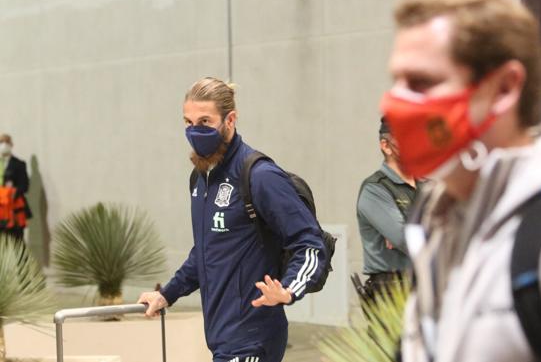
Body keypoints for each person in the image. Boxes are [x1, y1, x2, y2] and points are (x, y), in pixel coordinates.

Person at [380, 0, 541, 362]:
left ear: (505, 88)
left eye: (421, 82)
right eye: (396, 81)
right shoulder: (436, 221)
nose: (395, 103)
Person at [137, 77, 326, 362]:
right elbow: (205, 252)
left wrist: (288, 289)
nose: (195, 131)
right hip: (222, 338)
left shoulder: (259, 176)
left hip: (252, 339)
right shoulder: (201, 179)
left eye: (205, 121)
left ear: (230, 120)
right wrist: (167, 294)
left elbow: (310, 243)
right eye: (188, 122)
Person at [356, 117, 418, 299]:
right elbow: (404, 239)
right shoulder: (375, 189)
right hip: (391, 291)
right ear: (386, 145)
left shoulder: (427, 185)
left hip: (425, 285)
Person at [0, 134, 31, 241]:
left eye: (6, 142)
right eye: (1, 142)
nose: (3, 145)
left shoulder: (19, 164)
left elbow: (25, 186)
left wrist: (12, 193)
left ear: (11, 144)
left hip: (14, 209)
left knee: (16, 241)